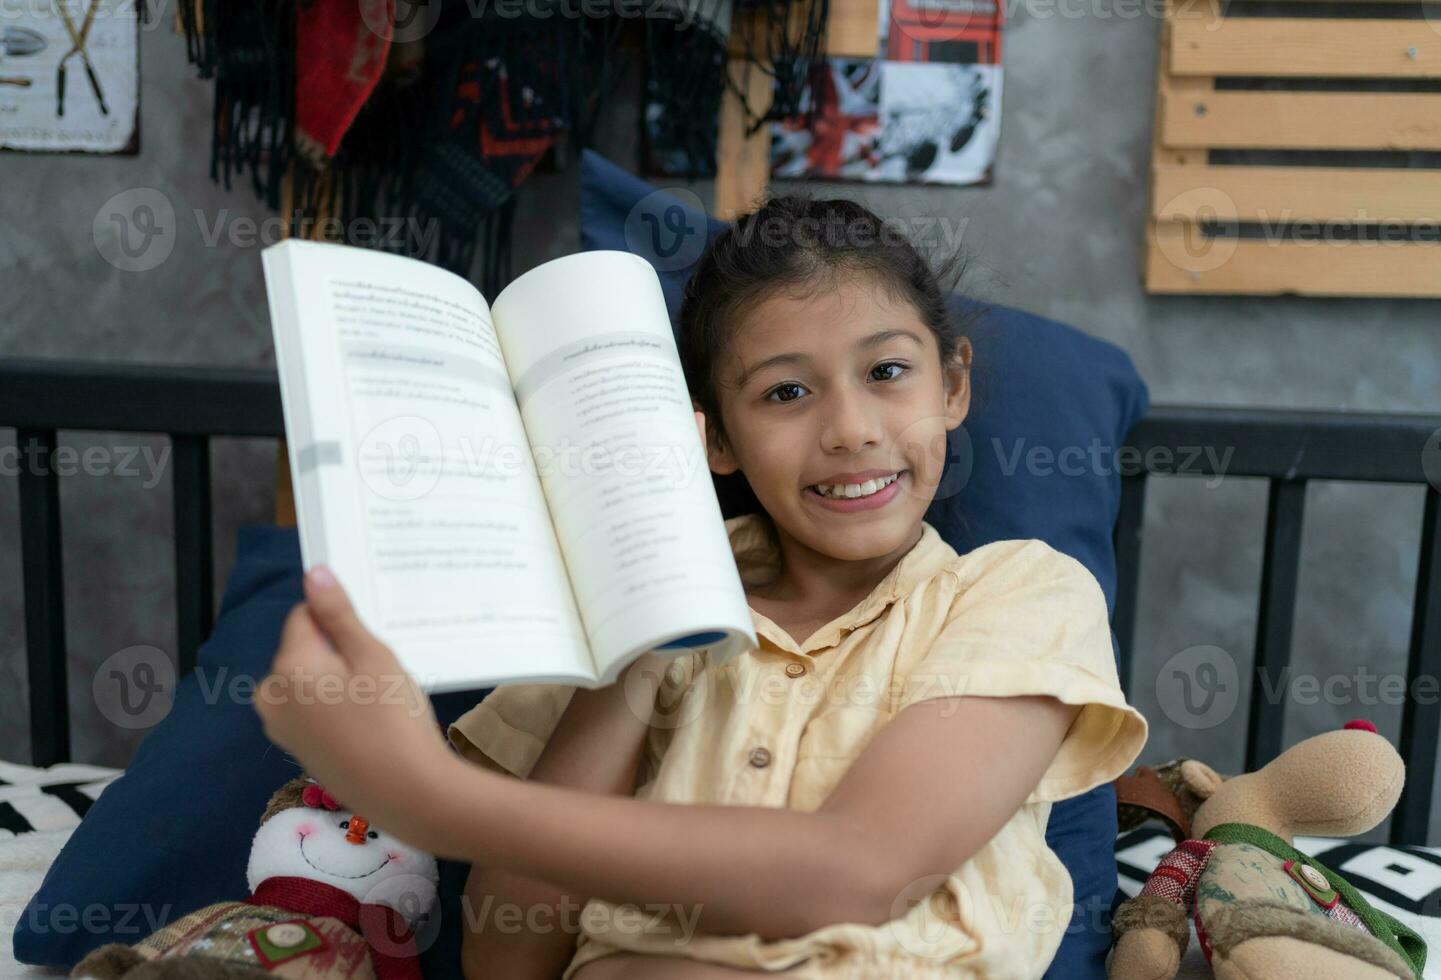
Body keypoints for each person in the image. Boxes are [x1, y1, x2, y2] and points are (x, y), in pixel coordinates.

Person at [253, 194, 1149, 979]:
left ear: (952, 384)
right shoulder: (618, 618)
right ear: (714, 440)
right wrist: (643, 633)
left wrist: (434, 803)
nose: (849, 429)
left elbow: (863, 869)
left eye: (886, 373)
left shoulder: (1018, 594)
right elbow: (506, 958)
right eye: (786, 393)